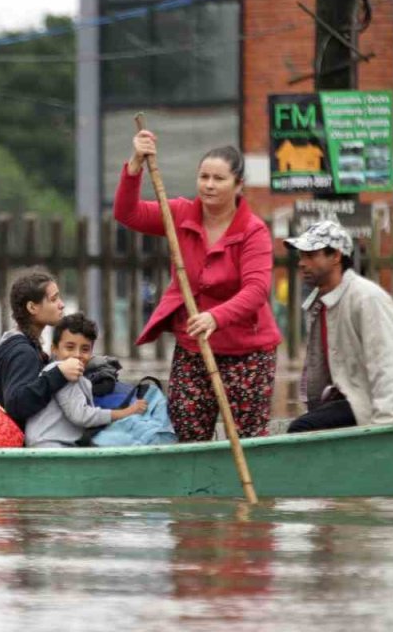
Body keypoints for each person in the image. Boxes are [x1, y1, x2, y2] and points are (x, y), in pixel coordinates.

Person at [115, 132, 281, 442]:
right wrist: (135, 163)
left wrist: (215, 317)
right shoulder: (178, 213)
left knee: (248, 438)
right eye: (203, 177)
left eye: (219, 178)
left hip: (247, 352)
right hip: (193, 347)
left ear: (238, 185)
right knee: (187, 430)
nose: (209, 185)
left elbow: (257, 290)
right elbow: (127, 213)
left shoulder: (253, 231)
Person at [283, 220, 393, 432]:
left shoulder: (366, 299)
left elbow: (389, 367)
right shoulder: (320, 304)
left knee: (300, 428)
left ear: (335, 256)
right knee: (304, 425)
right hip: (345, 403)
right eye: (301, 256)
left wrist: (387, 428)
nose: (301, 263)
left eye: (310, 255)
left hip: (369, 408)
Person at [25, 313, 147, 448]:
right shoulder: (62, 371)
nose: (77, 355)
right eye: (69, 347)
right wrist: (126, 412)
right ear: (54, 349)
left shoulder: (71, 373)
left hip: (51, 442)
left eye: (85, 349)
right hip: (48, 445)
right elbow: (81, 416)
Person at [0, 269, 83, 429]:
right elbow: (16, 405)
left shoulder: (21, 345)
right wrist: (58, 374)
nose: (62, 304)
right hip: (15, 443)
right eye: (54, 299)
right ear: (32, 307)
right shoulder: (23, 352)